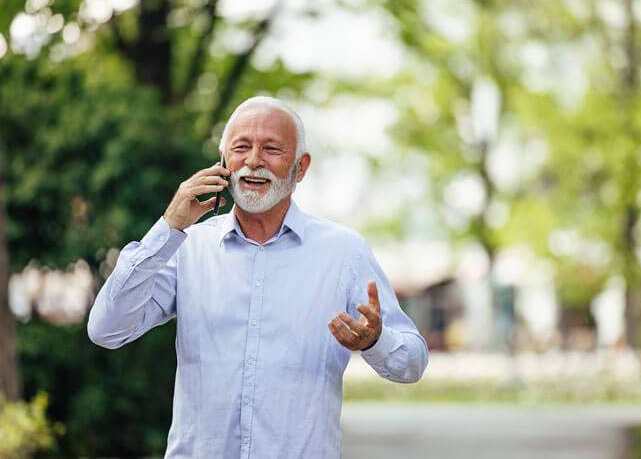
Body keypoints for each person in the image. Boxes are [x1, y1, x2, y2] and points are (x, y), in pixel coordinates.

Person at [87, 96, 429, 458]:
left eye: (271, 149)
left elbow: (412, 363)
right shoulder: (187, 247)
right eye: (241, 148)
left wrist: (374, 340)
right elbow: (106, 329)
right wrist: (169, 225)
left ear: (300, 168)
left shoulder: (344, 252)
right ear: (222, 163)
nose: (253, 161)